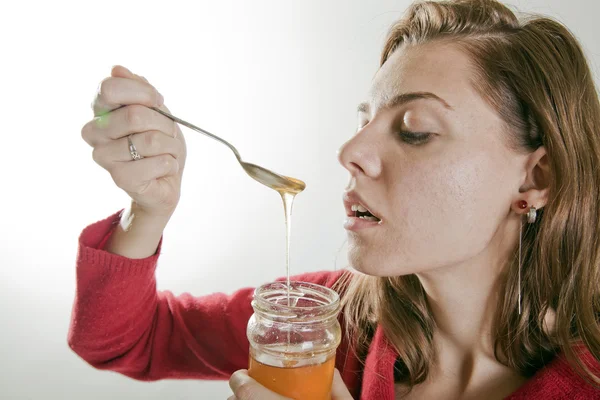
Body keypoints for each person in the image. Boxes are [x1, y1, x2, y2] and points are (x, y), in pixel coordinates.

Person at [69, 0, 600, 398]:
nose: (350, 151)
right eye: (364, 122)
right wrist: (149, 208)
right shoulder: (324, 321)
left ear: (536, 177)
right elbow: (122, 339)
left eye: (414, 129)